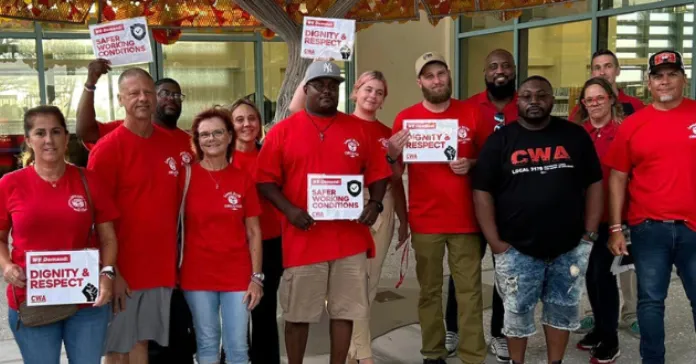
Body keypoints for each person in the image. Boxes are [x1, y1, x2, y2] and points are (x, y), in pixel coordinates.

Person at [255, 61, 391, 364]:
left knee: (345, 312)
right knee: (297, 315)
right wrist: (289, 210)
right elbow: (264, 180)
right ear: (306, 90)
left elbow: (379, 174)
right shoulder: (282, 132)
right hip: (304, 239)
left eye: (334, 85)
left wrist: (375, 203)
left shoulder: (358, 129)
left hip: (349, 239)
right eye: (320, 84)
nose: (328, 90)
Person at [472, 75, 603, 364]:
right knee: (516, 313)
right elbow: (482, 191)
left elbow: (595, 182)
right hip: (517, 249)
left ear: (551, 100)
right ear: (517, 101)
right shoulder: (500, 141)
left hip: (568, 247)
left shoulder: (574, 136)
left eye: (541, 95)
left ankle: (554, 362)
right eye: (527, 96)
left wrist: (589, 234)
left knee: (562, 310)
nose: (534, 101)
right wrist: (495, 242)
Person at [77, 59, 196, 363]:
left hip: (160, 270)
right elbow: (94, 220)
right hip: (123, 270)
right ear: (120, 100)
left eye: (146, 92)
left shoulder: (173, 144)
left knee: (141, 343)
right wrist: (110, 271)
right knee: (117, 350)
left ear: (155, 97)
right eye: (133, 93)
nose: (142, 98)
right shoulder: (108, 149)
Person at [386, 51, 490, 364]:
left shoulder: (472, 113)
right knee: (429, 291)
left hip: (465, 220)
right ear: (420, 81)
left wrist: (471, 163)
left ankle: (473, 355)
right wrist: (392, 153)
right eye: (429, 75)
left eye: (440, 73)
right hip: (426, 220)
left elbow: (490, 161)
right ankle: (433, 352)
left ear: (448, 75)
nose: (436, 80)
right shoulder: (406, 119)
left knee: (469, 293)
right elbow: (395, 174)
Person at [0, 105, 119, 364]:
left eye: (56, 132)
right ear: (28, 140)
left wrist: (108, 273)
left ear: (66, 138)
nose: (48, 140)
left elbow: (108, 237)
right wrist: (7, 265)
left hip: (86, 301)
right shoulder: (10, 184)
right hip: (32, 298)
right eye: (40, 133)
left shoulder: (89, 180)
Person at [604, 50, 696, 364]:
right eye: (658, 75)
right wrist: (615, 228)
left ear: (684, 78)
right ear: (649, 82)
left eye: (672, 74)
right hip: (648, 229)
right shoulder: (633, 125)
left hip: (694, 228)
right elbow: (617, 177)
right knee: (651, 303)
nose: (665, 81)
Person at [446, 48, 517, 362]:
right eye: (493, 66)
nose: (499, 70)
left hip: (514, 206)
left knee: (507, 272)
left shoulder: (526, 104)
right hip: (473, 203)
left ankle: (500, 334)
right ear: (485, 73)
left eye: (505, 65)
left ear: (514, 70)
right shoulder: (468, 107)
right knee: (464, 269)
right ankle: (453, 328)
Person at [179, 107, 263, 364]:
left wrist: (257, 277)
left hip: (237, 275)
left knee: (237, 346)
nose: (211, 139)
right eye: (204, 134)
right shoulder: (185, 176)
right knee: (206, 344)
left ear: (229, 136)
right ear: (197, 140)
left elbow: (254, 231)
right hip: (196, 275)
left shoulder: (242, 179)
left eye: (217, 132)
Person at [571, 49, 643, 339]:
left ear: (617, 70)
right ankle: (596, 316)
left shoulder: (634, 107)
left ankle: (631, 314)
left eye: (608, 66)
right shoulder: (581, 117)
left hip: (625, 207)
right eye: (597, 67)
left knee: (625, 265)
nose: (602, 72)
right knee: (594, 268)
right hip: (590, 211)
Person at [345, 71, 409, 364]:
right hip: (347, 211)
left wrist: (393, 154)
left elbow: (395, 177)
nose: (372, 96)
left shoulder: (387, 133)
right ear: (355, 91)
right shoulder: (339, 126)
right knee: (350, 282)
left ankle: (355, 349)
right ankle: (362, 351)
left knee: (369, 283)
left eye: (379, 92)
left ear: (384, 100)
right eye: (368, 89)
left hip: (381, 211)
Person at [225, 99, 284, 364]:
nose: (247, 124)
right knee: (235, 310)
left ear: (260, 124)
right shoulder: (220, 158)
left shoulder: (270, 154)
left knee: (264, 311)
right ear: (230, 125)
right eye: (239, 119)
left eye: (252, 118)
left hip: (270, 241)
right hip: (232, 245)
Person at [571, 77, 625, 363]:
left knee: (603, 277)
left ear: (611, 99)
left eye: (599, 98)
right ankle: (600, 329)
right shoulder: (579, 134)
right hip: (586, 219)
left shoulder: (624, 132)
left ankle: (610, 337)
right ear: (583, 104)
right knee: (589, 277)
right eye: (589, 99)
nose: (594, 103)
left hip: (612, 219)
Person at [77, 59, 193, 163]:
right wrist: (90, 85)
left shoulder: (190, 141)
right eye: (165, 93)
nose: (172, 98)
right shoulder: (120, 132)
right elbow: (86, 132)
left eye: (177, 95)